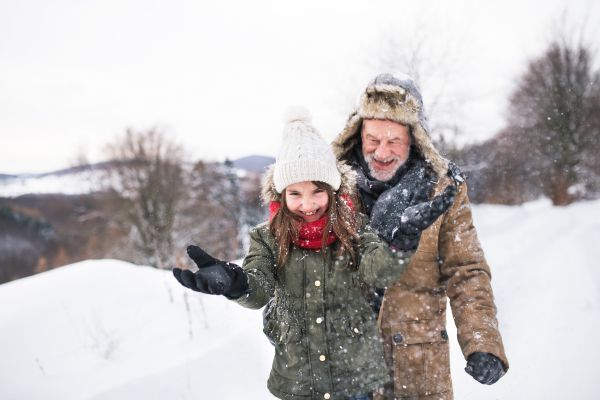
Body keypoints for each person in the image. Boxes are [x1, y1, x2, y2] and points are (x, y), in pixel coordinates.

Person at [172, 105, 454, 400]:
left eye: (317, 191)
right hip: (298, 379)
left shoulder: (355, 228)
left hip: (353, 377)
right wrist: (235, 283)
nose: (307, 205)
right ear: (281, 195)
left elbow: (378, 271)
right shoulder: (267, 237)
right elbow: (258, 287)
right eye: (295, 193)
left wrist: (404, 238)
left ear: (333, 190)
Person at [331, 73, 509, 400]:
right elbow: (302, 257)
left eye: (394, 140)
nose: (382, 152)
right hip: (343, 364)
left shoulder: (442, 189)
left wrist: (482, 341)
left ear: (414, 138)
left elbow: (466, 269)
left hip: (415, 363)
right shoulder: (331, 186)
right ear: (358, 134)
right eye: (373, 139)